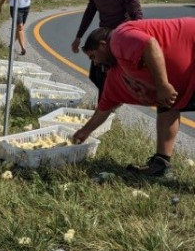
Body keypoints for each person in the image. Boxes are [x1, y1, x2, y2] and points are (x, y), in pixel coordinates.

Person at [72, 18, 195, 177]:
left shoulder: (118, 37)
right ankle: (161, 164)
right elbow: (103, 110)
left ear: (103, 45)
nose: (95, 63)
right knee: (165, 105)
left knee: (164, 100)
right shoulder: (116, 74)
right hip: (188, 78)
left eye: (93, 56)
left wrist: (162, 85)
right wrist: (84, 132)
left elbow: (149, 44)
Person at [71, 0, 143, 100]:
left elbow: (138, 19)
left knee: (109, 77)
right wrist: (78, 36)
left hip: (121, 36)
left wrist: (138, 47)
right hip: (104, 34)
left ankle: (106, 109)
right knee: (96, 75)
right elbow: (89, 13)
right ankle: (105, 105)